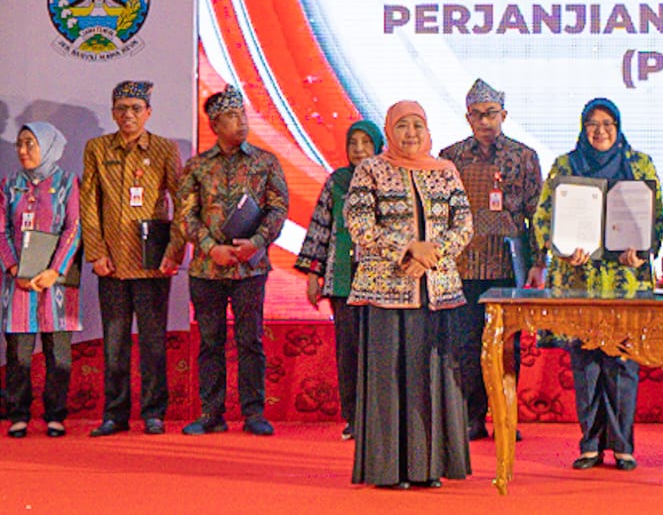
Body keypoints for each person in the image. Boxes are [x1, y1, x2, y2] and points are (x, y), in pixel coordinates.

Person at [530, 98, 663, 471]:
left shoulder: (639, 164)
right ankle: (589, 444)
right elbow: (543, 219)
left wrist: (642, 251)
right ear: (582, 128)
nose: (600, 130)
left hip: (625, 282)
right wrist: (562, 249)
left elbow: (656, 219)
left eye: (608, 123)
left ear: (618, 127)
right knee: (586, 364)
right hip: (580, 281)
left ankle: (623, 446)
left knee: (622, 364)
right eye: (592, 123)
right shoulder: (566, 166)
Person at [347, 100, 473, 489]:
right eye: (403, 125)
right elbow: (359, 223)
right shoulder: (371, 169)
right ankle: (389, 470)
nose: (411, 133)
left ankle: (427, 468)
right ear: (390, 130)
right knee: (388, 379)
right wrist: (407, 249)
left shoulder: (445, 171)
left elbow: (464, 224)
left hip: (436, 290)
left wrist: (431, 255)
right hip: (386, 291)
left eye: (418, 125)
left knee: (430, 379)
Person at [178, 85, 288, 437]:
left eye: (242, 114)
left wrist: (256, 243)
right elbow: (185, 215)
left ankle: (254, 412)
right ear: (214, 125)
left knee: (250, 341)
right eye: (230, 116)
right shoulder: (197, 166)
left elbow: (278, 209)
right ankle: (211, 413)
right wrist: (211, 247)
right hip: (206, 269)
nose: (240, 121)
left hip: (250, 268)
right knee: (210, 342)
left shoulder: (265, 161)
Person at [439, 79, 543, 441]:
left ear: (504, 115)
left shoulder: (523, 157)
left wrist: (539, 262)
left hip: (507, 266)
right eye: (478, 115)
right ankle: (471, 417)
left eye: (491, 114)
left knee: (507, 346)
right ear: (468, 118)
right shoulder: (451, 157)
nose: (485, 121)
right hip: (464, 265)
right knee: (466, 344)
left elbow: (536, 213)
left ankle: (505, 417)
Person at [82, 79, 184, 437]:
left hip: (152, 263)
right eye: (122, 108)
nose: (129, 114)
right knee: (115, 343)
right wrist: (96, 252)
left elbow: (182, 202)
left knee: (153, 342)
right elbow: (89, 204)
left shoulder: (164, 148)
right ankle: (115, 414)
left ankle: (154, 413)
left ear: (148, 113)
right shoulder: (97, 148)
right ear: (113, 113)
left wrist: (174, 251)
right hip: (111, 265)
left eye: (136, 109)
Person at [0, 123, 82, 439]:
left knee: (58, 351)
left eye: (30, 143)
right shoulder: (9, 184)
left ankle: (55, 415)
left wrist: (55, 270)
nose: (23, 150)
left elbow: (74, 228)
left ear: (48, 146)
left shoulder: (68, 182)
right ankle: (18, 414)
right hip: (18, 280)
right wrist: (14, 268)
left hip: (56, 281)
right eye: (20, 143)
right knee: (18, 352)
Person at [294, 118, 383, 441]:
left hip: (381, 284)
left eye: (366, 143)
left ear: (378, 146)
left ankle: (380, 417)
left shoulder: (389, 182)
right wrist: (313, 275)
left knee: (379, 351)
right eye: (353, 143)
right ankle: (354, 418)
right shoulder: (337, 181)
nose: (359, 150)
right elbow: (320, 229)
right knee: (349, 352)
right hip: (342, 280)